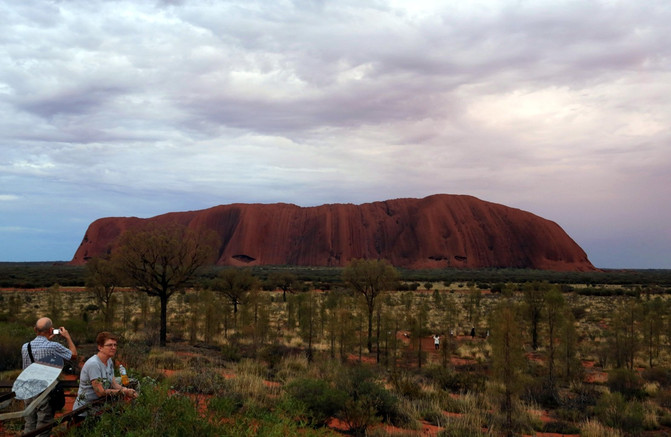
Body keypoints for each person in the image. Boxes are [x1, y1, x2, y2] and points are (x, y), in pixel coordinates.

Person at [21, 317, 77, 437]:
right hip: (44, 391)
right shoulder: (53, 346)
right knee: (43, 426)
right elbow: (73, 355)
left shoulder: (25, 346)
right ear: (51, 330)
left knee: (30, 424)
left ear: (35, 329)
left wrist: (47, 339)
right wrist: (67, 337)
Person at [73, 332, 137, 416]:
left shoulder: (109, 361)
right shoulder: (94, 364)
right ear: (100, 347)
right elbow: (100, 392)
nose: (113, 348)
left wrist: (126, 390)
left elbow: (113, 383)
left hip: (100, 406)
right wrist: (123, 392)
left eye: (115, 345)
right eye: (110, 345)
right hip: (86, 410)